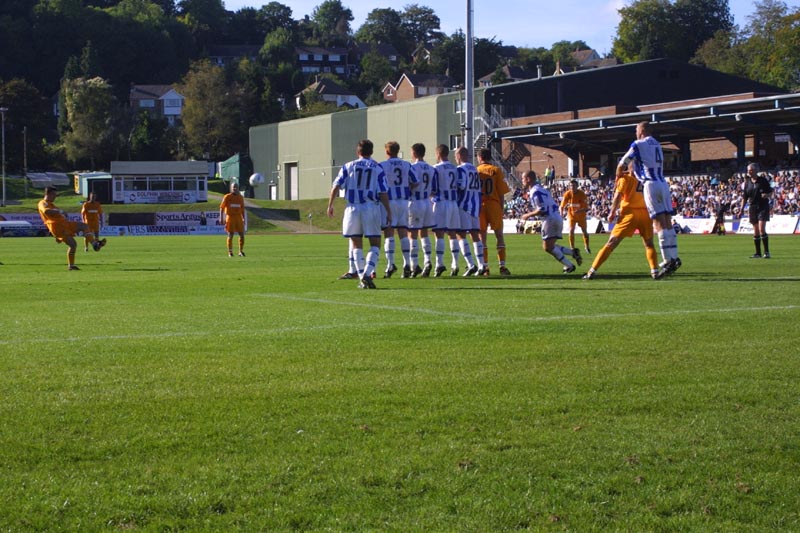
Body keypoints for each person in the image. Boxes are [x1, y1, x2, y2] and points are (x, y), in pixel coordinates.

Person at [617, 121, 680, 277]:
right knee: (666, 220)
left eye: (636, 129)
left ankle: (667, 260)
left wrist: (618, 175)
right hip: (663, 183)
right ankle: (674, 256)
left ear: (642, 131)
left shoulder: (638, 144)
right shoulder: (657, 144)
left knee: (658, 222)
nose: (635, 132)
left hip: (651, 184)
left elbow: (623, 162)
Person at [327, 139, 391, 289]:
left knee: (356, 243)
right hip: (371, 208)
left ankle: (362, 276)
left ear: (358, 152)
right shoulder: (377, 167)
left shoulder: (348, 166)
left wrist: (330, 205)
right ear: (372, 152)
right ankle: (367, 274)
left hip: (352, 208)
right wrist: (388, 211)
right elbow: (383, 192)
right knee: (375, 243)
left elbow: (336, 185)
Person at [582, 171, 659, 280]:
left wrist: (612, 212)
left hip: (629, 213)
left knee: (611, 243)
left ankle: (592, 271)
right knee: (649, 244)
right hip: (645, 213)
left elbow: (618, 195)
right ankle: (654, 271)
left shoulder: (625, 178)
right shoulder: (647, 177)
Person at [518, 171, 582, 274]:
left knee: (547, 247)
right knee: (550, 246)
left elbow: (542, 209)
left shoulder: (535, 191)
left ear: (528, 179)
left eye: (523, 178)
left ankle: (569, 265)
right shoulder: (541, 189)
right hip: (556, 217)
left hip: (549, 219)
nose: (522, 181)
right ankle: (572, 252)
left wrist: (527, 215)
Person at [38, 186, 107, 270]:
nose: (55, 197)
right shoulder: (43, 203)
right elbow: (46, 211)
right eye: (54, 195)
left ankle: (94, 245)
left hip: (64, 224)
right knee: (73, 244)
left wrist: (62, 214)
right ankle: (71, 265)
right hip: (58, 227)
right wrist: (60, 211)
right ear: (48, 194)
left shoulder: (51, 204)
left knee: (84, 226)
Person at [380, 141, 418, 278]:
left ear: (387, 152)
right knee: (403, 231)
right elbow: (416, 181)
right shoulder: (406, 164)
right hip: (403, 201)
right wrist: (407, 189)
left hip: (389, 201)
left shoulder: (382, 165)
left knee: (388, 232)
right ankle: (407, 263)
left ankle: (390, 265)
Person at [476, 147, 511, 276]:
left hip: (480, 205)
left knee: (482, 237)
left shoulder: (476, 171)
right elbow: (501, 193)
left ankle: (485, 267)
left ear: (479, 158)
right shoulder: (496, 170)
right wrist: (501, 208)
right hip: (494, 204)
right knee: (499, 235)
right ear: (490, 157)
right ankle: (502, 266)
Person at [431, 144, 461, 277]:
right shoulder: (455, 168)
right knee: (452, 234)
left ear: (438, 154)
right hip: (453, 203)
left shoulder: (436, 168)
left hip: (441, 202)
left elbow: (433, 188)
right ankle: (455, 264)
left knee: (439, 234)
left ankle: (439, 264)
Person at [408, 143, 437, 277]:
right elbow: (434, 189)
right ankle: (427, 261)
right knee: (424, 233)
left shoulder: (412, 167)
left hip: (415, 201)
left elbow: (410, 184)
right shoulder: (431, 169)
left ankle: (414, 265)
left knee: (412, 234)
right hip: (427, 202)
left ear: (414, 153)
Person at [454, 146, 482, 276]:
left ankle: (471, 264)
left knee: (460, 234)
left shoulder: (460, 169)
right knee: (475, 234)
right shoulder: (474, 169)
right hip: (475, 205)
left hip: (464, 205)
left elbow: (461, 186)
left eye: (455, 155)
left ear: (459, 156)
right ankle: (482, 265)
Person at [740, 162, 773, 258]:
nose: (749, 172)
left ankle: (766, 252)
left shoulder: (763, 181)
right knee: (756, 231)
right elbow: (744, 197)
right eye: (748, 170)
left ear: (755, 170)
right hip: (752, 207)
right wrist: (741, 208)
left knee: (762, 229)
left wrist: (766, 195)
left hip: (762, 206)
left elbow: (771, 192)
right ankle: (758, 253)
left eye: (750, 170)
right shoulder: (747, 183)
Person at [560, 179, 591, 254]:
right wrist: (561, 214)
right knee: (571, 230)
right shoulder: (567, 194)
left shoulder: (582, 194)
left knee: (584, 232)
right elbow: (561, 206)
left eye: (574, 186)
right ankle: (572, 248)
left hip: (581, 216)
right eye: (571, 186)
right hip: (571, 216)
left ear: (577, 186)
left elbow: (586, 208)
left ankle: (586, 247)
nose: (572, 187)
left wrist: (579, 211)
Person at [219, 182, 247, 257]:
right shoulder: (227, 197)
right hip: (230, 217)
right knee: (230, 235)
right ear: (231, 188)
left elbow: (242, 209)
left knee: (242, 235)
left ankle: (240, 251)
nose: (235, 188)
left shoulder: (240, 197)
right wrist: (221, 218)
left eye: (236, 187)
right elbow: (221, 208)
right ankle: (230, 252)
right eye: (233, 187)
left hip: (238, 218)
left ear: (238, 188)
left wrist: (243, 218)